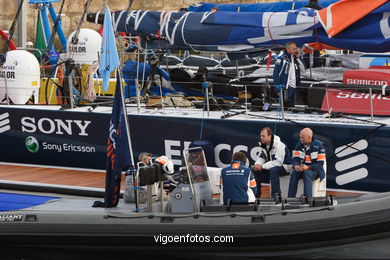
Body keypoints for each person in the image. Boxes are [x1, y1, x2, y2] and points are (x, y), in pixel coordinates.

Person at [252, 127, 292, 199]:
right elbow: (261, 157)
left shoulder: (280, 146)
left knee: (273, 170)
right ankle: (256, 194)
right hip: (272, 166)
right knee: (254, 170)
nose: (261, 138)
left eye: (263, 136)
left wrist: (262, 166)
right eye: (261, 136)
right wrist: (257, 164)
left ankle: (276, 195)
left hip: (286, 167)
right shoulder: (264, 145)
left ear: (270, 136)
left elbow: (278, 162)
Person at [288, 128, 326, 198]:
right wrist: (296, 166)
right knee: (294, 173)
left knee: (307, 173)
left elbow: (320, 165)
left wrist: (308, 167)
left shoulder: (319, 146)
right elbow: (295, 159)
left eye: (302, 137)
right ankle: (290, 198)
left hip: (315, 171)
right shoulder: (298, 145)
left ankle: (308, 199)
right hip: (303, 169)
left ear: (309, 137)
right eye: (300, 137)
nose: (300, 139)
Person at [273, 42, 305, 106]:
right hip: (285, 87)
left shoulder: (295, 59)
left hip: (295, 86)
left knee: (292, 107)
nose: (296, 50)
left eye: (296, 49)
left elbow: (303, 69)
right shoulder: (281, 59)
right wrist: (277, 88)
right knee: (285, 106)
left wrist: (298, 58)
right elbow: (276, 73)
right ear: (288, 50)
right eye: (294, 49)